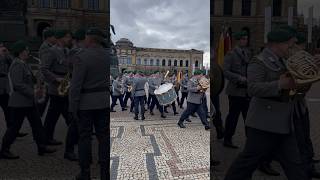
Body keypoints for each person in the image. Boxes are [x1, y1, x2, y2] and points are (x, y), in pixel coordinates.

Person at [224, 29, 309, 180]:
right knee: (246, 164)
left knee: (296, 165)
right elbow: (253, 88)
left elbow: (294, 92)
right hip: (263, 124)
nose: (292, 48)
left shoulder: (284, 60)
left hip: (283, 122)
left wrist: (306, 79)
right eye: (289, 44)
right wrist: (279, 85)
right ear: (278, 44)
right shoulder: (259, 61)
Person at [0, 41, 56, 159]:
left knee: (37, 125)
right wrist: (33, 92)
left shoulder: (23, 63)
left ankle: (41, 146)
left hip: (27, 102)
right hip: (19, 102)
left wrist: (39, 77)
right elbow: (18, 84)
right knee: (14, 128)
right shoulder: (17, 65)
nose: (28, 52)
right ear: (20, 52)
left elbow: (31, 80)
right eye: (26, 50)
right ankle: (4, 150)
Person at [69, 28, 108, 180]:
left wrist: (72, 107)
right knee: (104, 138)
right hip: (104, 102)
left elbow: (75, 85)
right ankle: (105, 173)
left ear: (89, 39)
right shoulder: (107, 55)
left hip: (86, 104)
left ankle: (85, 173)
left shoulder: (81, 57)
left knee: (84, 138)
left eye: (85, 38)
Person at [40, 29, 74, 146]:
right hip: (56, 87)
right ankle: (76, 136)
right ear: (60, 38)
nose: (69, 39)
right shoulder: (51, 51)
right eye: (67, 37)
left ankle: (47, 138)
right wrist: (55, 78)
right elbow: (44, 68)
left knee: (56, 114)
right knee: (57, 114)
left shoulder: (67, 51)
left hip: (66, 84)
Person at [222, 31, 251, 148]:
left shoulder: (248, 53)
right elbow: (225, 72)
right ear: (238, 40)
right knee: (233, 116)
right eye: (243, 39)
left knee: (248, 117)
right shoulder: (231, 54)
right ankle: (227, 138)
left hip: (247, 91)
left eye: (246, 39)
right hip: (235, 90)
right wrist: (239, 78)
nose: (245, 41)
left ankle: (251, 141)